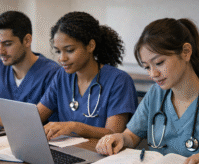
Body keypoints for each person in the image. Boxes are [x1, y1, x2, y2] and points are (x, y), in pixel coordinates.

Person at [96, 18, 199, 164]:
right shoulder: (155, 94)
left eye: (159, 62)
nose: (153, 74)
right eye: (147, 67)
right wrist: (121, 138)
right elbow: (131, 136)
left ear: (186, 52)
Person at [37, 11, 138, 140]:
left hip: (102, 154)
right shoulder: (62, 76)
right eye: (58, 51)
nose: (62, 58)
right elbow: (36, 116)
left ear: (90, 46)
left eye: (69, 50)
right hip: (66, 151)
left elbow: (114, 133)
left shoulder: (119, 80)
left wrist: (74, 127)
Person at [0, 11, 60, 127]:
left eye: (7, 44)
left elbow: (39, 121)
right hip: (1, 139)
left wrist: (3, 119)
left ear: (27, 40)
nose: (0, 51)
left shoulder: (53, 73)